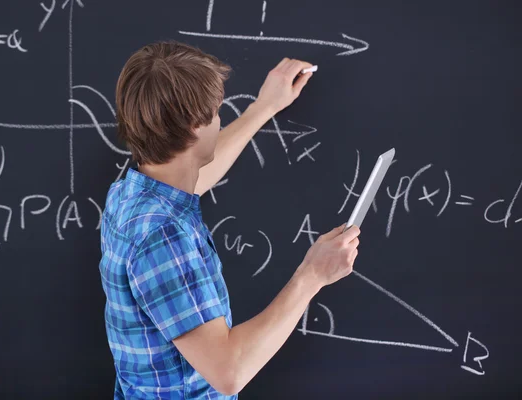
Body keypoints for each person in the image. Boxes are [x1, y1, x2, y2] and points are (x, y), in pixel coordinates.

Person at [98, 40, 360, 399]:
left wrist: (263, 108)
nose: (219, 119)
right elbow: (228, 371)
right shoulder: (162, 234)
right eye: (217, 112)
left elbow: (196, 171)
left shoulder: (133, 195)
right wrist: (312, 275)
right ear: (194, 127)